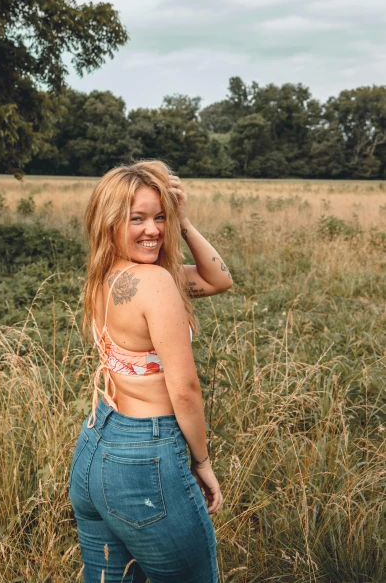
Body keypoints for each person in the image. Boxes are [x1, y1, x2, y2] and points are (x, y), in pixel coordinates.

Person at [69, 160, 233, 583]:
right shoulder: (155, 283)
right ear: (109, 222)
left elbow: (219, 279)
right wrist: (203, 462)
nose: (154, 230)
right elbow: (185, 390)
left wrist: (184, 222)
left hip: (96, 448)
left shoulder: (105, 275)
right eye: (137, 218)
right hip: (145, 456)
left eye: (161, 217)